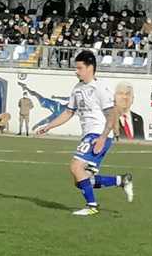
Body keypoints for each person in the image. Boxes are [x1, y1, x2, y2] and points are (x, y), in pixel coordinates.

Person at [35, 50, 133, 216]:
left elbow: (111, 115)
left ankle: (91, 206)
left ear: (90, 68)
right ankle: (121, 180)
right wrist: (49, 126)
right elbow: (68, 112)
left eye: (80, 68)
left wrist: (102, 138)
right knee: (81, 180)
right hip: (89, 135)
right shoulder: (77, 89)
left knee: (76, 166)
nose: (76, 71)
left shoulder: (100, 88)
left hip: (98, 134)